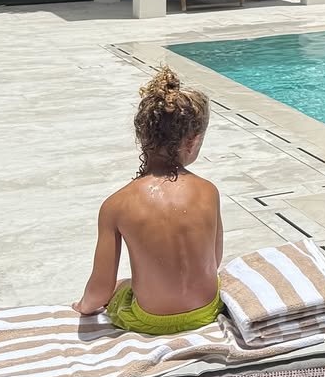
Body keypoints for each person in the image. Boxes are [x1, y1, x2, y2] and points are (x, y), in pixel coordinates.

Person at [72, 67, 224, 334]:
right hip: (206, 311)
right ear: (193, 142)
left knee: (121, 287)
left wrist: (84, 307)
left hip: (152, 320)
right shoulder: (209, 191)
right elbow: (214, 259)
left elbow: (100, 290)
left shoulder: (116, 205)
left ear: (142, 136)